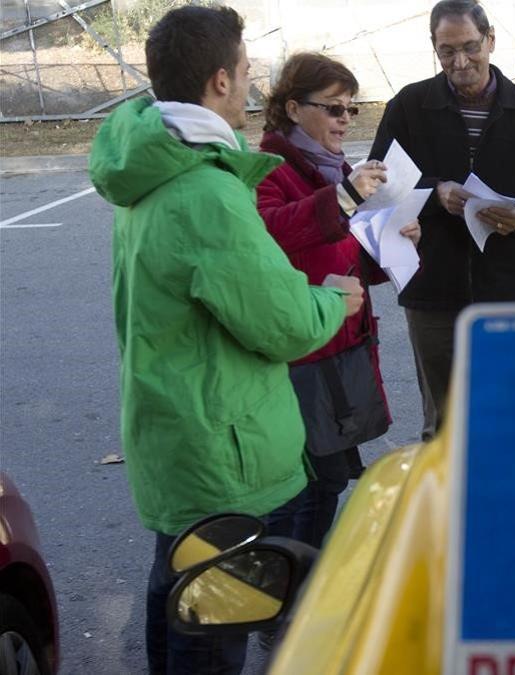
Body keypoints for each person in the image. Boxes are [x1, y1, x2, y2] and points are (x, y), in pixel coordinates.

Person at [88, 7, 362, 674]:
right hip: (220, 447)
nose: (249, 86)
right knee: (214, 623)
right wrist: (335, 297)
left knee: (176, 596)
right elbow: (283, 321)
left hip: (174, 430)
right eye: (244, 73)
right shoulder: (205, 191)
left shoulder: (151, 166)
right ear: (218, 81)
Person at [368, 0, 515, 440]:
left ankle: (501, 508)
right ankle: (441, 509)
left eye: (470, 47)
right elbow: (378, 185)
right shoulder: (409, 106)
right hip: (431, 290)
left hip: (505, 291)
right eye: (446, 51)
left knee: (507, 420)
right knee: (442, 427)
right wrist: (436, 193)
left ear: (490, 40)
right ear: (434, 49)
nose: (460, 61)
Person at [257, 53, 420, 550]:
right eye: (333, 109)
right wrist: (346, 197)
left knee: (325, 483)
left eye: (350, 110)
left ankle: (294, 586)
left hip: (342, 347)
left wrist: (396, 241)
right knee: (308, 487)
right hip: (304, 354)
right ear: (292, 108)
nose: (345, 121)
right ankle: (284, 599)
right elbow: (271, 235)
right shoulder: (269, 169)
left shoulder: (336, 169)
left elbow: (346, 252)